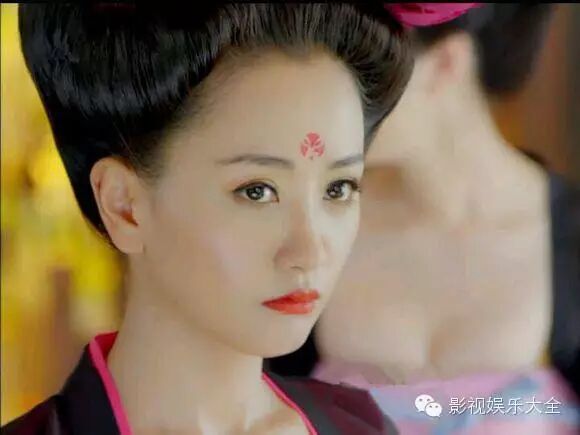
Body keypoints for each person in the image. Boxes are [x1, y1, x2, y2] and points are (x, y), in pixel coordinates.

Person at [2, 3, 478, 434]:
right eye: (257, 191)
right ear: (124, 206)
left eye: (338, 188)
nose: (310, 251)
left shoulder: (361, 427)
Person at [268, 3, 580, 398]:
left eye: (361, 70)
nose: (327, 100)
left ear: (445, 64)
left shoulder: (568, 237)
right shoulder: (309, 225)